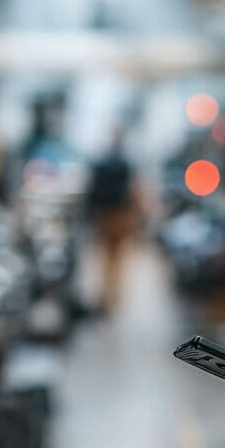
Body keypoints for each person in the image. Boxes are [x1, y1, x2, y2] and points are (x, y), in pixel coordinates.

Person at [86, 130, 137, 312]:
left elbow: (93, 191)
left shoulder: (101, 165)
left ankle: (105, 293)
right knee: (116, 257)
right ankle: (113, 293)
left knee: (105, 255)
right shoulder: (125, 164)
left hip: (105, 214)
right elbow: (132, 192)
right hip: (120, 214)